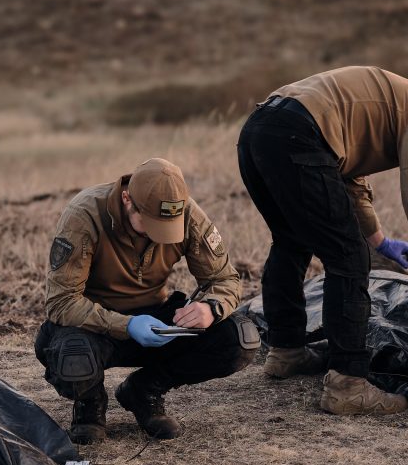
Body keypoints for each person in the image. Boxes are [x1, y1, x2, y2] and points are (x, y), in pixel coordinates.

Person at [237, 65, 408, 415]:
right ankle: (348, 386)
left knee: (291, 242)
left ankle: (287, 351)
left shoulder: (395, 104)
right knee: (349, 258)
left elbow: (349, 176)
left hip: (260, 130)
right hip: (299, 133)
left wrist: (380, 241)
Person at [35, 157, 258, 444]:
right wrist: (126, 325)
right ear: (127, 199)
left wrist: (211, 308)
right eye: (150, 223)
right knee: (72, 355)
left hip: (157, 323)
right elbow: (61, 302)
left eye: (168, 226)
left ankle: (144, 390)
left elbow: (225, 279)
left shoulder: (186, 212)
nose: (159, 234)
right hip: (94, 327)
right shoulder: (84, 214)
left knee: (239, 338)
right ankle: (90, 403)